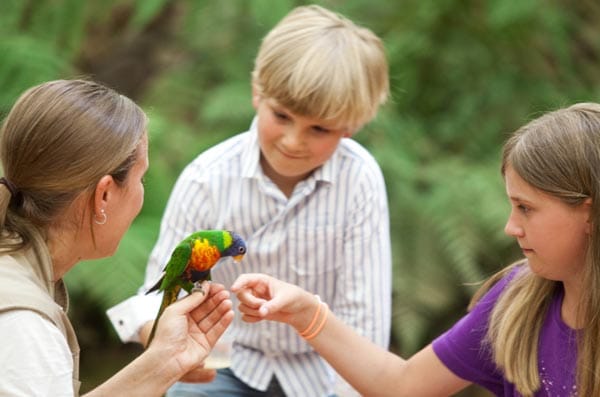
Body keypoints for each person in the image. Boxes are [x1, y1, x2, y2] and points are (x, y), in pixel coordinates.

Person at [107, 4, 391, 397]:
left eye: (319, 129)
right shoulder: (206, 179)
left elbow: (366, 322)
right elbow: (161, 290)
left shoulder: (360, 180)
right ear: (258, 92)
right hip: (227, 363)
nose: (293, 141)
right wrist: (162, 346)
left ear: (351, 126)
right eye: (282, 116)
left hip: (323, 370)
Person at [231, 102, 600, 397]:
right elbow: (402, 385)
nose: (511, 227)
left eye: (526, 208)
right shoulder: (517, 301)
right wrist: (305, 313)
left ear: (589, 212)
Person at [0, 79, 235, 397]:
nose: (142, 194)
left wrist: (164, 362)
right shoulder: (24, 327)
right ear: (105, 196)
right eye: (142, 178)